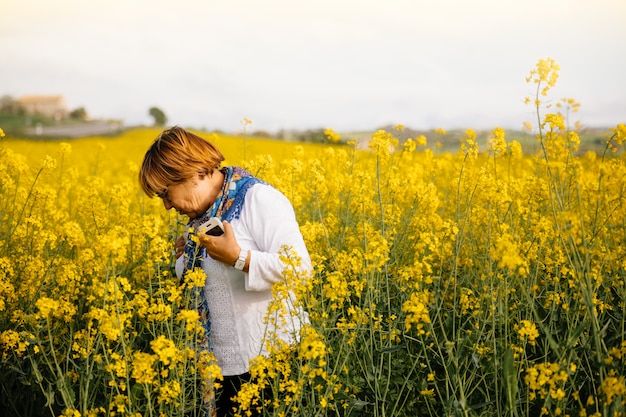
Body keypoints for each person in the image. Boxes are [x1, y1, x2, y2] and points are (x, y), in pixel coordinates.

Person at [138, 126, 312, 417]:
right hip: (220, 372)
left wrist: (239, 258)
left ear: (192, 173)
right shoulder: (201, 218)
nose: (167, 206)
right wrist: (184, 258)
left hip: (271, 367)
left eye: (166, 193)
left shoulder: (258, 199)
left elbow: (300, 269)